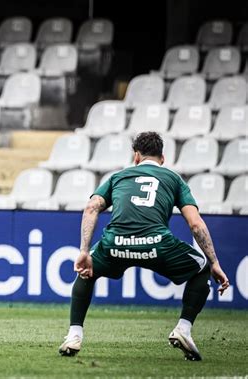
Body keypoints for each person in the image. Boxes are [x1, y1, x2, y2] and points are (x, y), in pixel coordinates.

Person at [58, 131, 229, 361]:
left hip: (115, 244)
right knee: (201, 266)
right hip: (157, 245)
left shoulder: (118, 177)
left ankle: (74, 335)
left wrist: (83, 251)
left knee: (86, 271)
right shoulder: (174, 179)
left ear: (136, 157)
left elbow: (91, 208)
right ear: (163, 159)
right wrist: (215, 263)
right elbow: (196, 224)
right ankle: (183, 329)